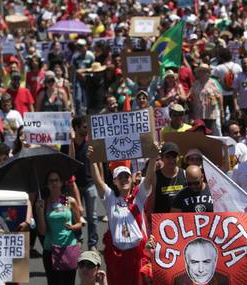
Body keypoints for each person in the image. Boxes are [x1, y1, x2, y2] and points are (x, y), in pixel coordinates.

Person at [88, 143, 157, 285]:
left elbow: (149, 179)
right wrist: (93, 160)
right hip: (117, 257)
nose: (124, 179)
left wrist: (153, 156)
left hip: (138, 255)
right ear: (114, 181)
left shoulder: (139, 196)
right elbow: (97, 181)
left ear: (132, 179)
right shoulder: (110, 199)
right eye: (120, 177)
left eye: (126, 176)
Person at [35, 170, 81, 285]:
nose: (54, 183)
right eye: (51, 181)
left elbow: (80, 224)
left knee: (69, 282)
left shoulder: (69, 201)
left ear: (61, 183)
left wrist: (73, 227)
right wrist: (40, 213)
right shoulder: (44, 203)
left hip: (68, 248)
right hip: (51, 250)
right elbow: (42, 231)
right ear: (47, 184)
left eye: (56, 180)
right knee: (53, 282)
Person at [63, 115, 98, 252]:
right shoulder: (67, 145)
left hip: (90, 184)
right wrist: (71, 142)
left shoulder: (90, 144)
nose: (87, 129)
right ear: (76, 128)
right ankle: (78, 239)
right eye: (84, 127)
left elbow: (97, 163)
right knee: (74, 215)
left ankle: (92, 243)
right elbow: (70, 161)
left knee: (93, 217)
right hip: (72, 186)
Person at [190, 63, 223, 135]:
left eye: (204, 71)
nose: (202, 73)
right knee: (201, 132)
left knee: (212, 132)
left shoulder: (213, 82)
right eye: (201, 71)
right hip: (198, 113)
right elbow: (191, 96)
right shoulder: (195, 84)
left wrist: (221, 110)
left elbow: (219, 96)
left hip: (210, 112)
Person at [153, 142, 186, 213]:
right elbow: (151, 202)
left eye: (174, 156)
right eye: (167, 157)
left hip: (182, 220)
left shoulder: (185, 174)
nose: (171, 160)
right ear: (161, 158)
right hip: (161, 221)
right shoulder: (155, 177)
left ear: (178, 157)